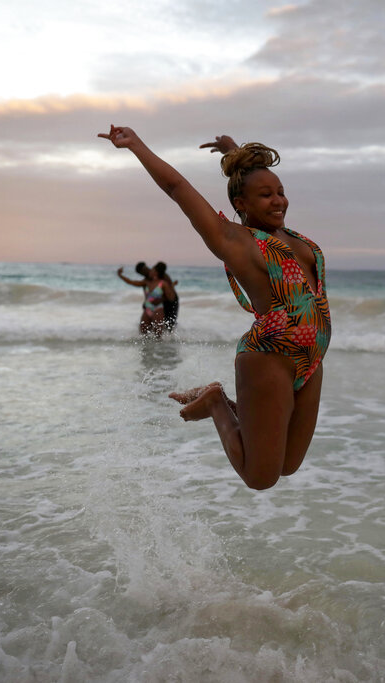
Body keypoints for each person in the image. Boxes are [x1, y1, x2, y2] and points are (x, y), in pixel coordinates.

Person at [99, 126, 331, 490]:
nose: (279, 201)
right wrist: (136, 145)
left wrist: (235, 153)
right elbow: (177, 188)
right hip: (269, 357)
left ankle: (223, 401)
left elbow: (248, 181)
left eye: (281, 192)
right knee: (260, 477)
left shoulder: (294, 239)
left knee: (287, 464)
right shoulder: (235, 241)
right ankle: (215, 403)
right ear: (241, 205)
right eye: (267, 195)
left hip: (311, 360)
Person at [116, 261, 165, 336]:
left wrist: (162, 300)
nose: (147, 272)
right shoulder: (145, 281)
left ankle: (165, 346)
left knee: (158, 334)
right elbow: (131, 282)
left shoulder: (161, 278)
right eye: (142, 272)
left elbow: (169, 292)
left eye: (146, 269)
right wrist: (120, 275)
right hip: (148, 308)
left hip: (159, 307)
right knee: (143, 334)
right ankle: (148, 348)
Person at [154, 261, 179, 332]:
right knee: (170, 317)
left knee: (169, 317)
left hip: (170, 299)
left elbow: (169, 288)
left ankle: (169, 335)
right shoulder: (163, 276)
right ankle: (169, 334)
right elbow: (170, 286)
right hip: (170, 299)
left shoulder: (164, 277)